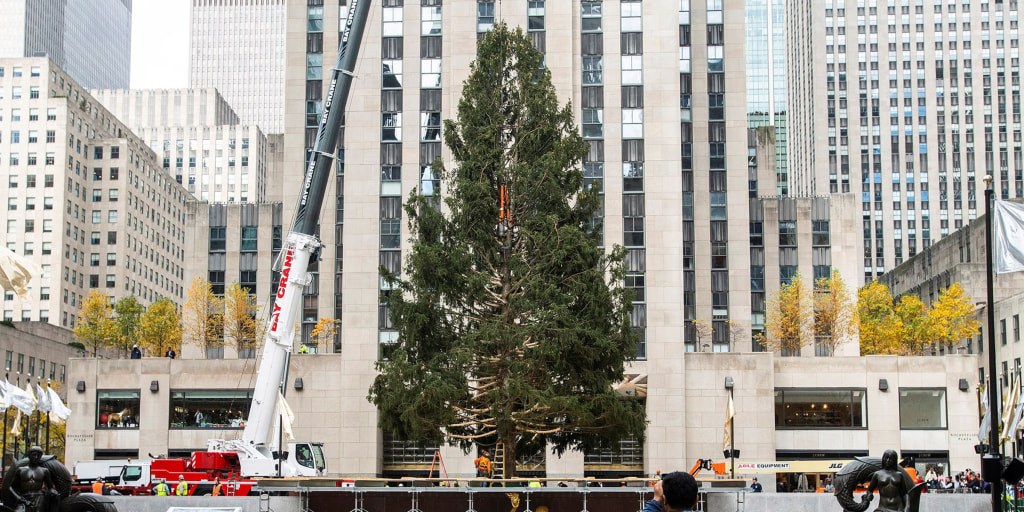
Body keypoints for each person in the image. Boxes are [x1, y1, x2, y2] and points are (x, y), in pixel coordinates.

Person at [5, 446, 59, 512]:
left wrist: (53, 491)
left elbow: (50, 487)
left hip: (39, 499)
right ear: (29, 455)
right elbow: (11, 487)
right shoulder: (21, 470)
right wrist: (19, 498)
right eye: (34, 455)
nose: (36, 457)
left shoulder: (44, 471)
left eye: (38, 456)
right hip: (24, 498)